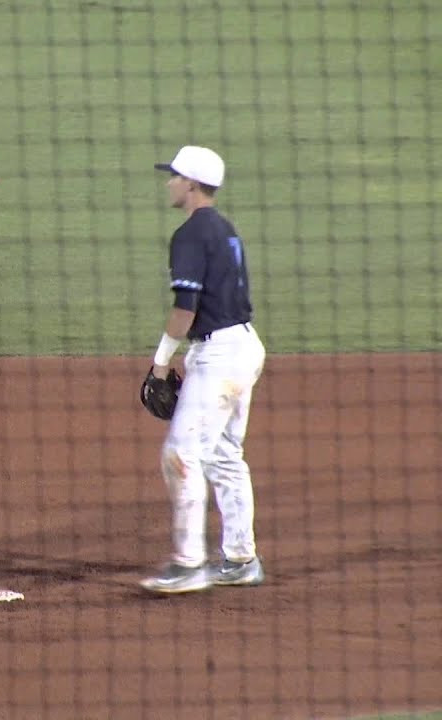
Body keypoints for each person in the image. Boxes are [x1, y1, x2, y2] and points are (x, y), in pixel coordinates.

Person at [139, 145, 268, 595]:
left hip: (220, 357)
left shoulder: (191, 234)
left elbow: (185, 309)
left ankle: (189, 563)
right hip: (244, 347)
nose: (169, 182)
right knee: (225, 455)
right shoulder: (225, 229)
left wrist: (160, 363)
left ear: (191, 184)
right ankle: (239, 558)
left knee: (181, 454)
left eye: (174, 176)